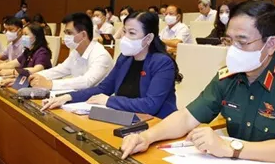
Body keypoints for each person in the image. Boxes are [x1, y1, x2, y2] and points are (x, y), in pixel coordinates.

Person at [120, 1, 275, 164]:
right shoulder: (229, 76)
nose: (233, 50)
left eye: (242, 42)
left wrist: (231, 148)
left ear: (270, 44)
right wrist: (147, 137)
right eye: (229, 41)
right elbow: (187, 117)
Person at [41, 11, 182, 119]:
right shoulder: (125, 58)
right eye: (125, 32)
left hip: (156, 123)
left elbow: (150, 105)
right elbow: (103, 88)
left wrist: (109, 101)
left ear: (149, 38)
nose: (125, 38)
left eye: (132, 33)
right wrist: (67, 97)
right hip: (125, 118)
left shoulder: (162, 62)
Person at [29, 13, 113, 91]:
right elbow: (59, 70)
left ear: (83, 35)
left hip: (97, 101)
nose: (66, 37)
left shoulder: (101, 55)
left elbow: (87, 82)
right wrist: (33, 76)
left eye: (69, 33)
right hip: (80, 97)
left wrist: (51, 84)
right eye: (65, 33)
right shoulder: (75, 52)